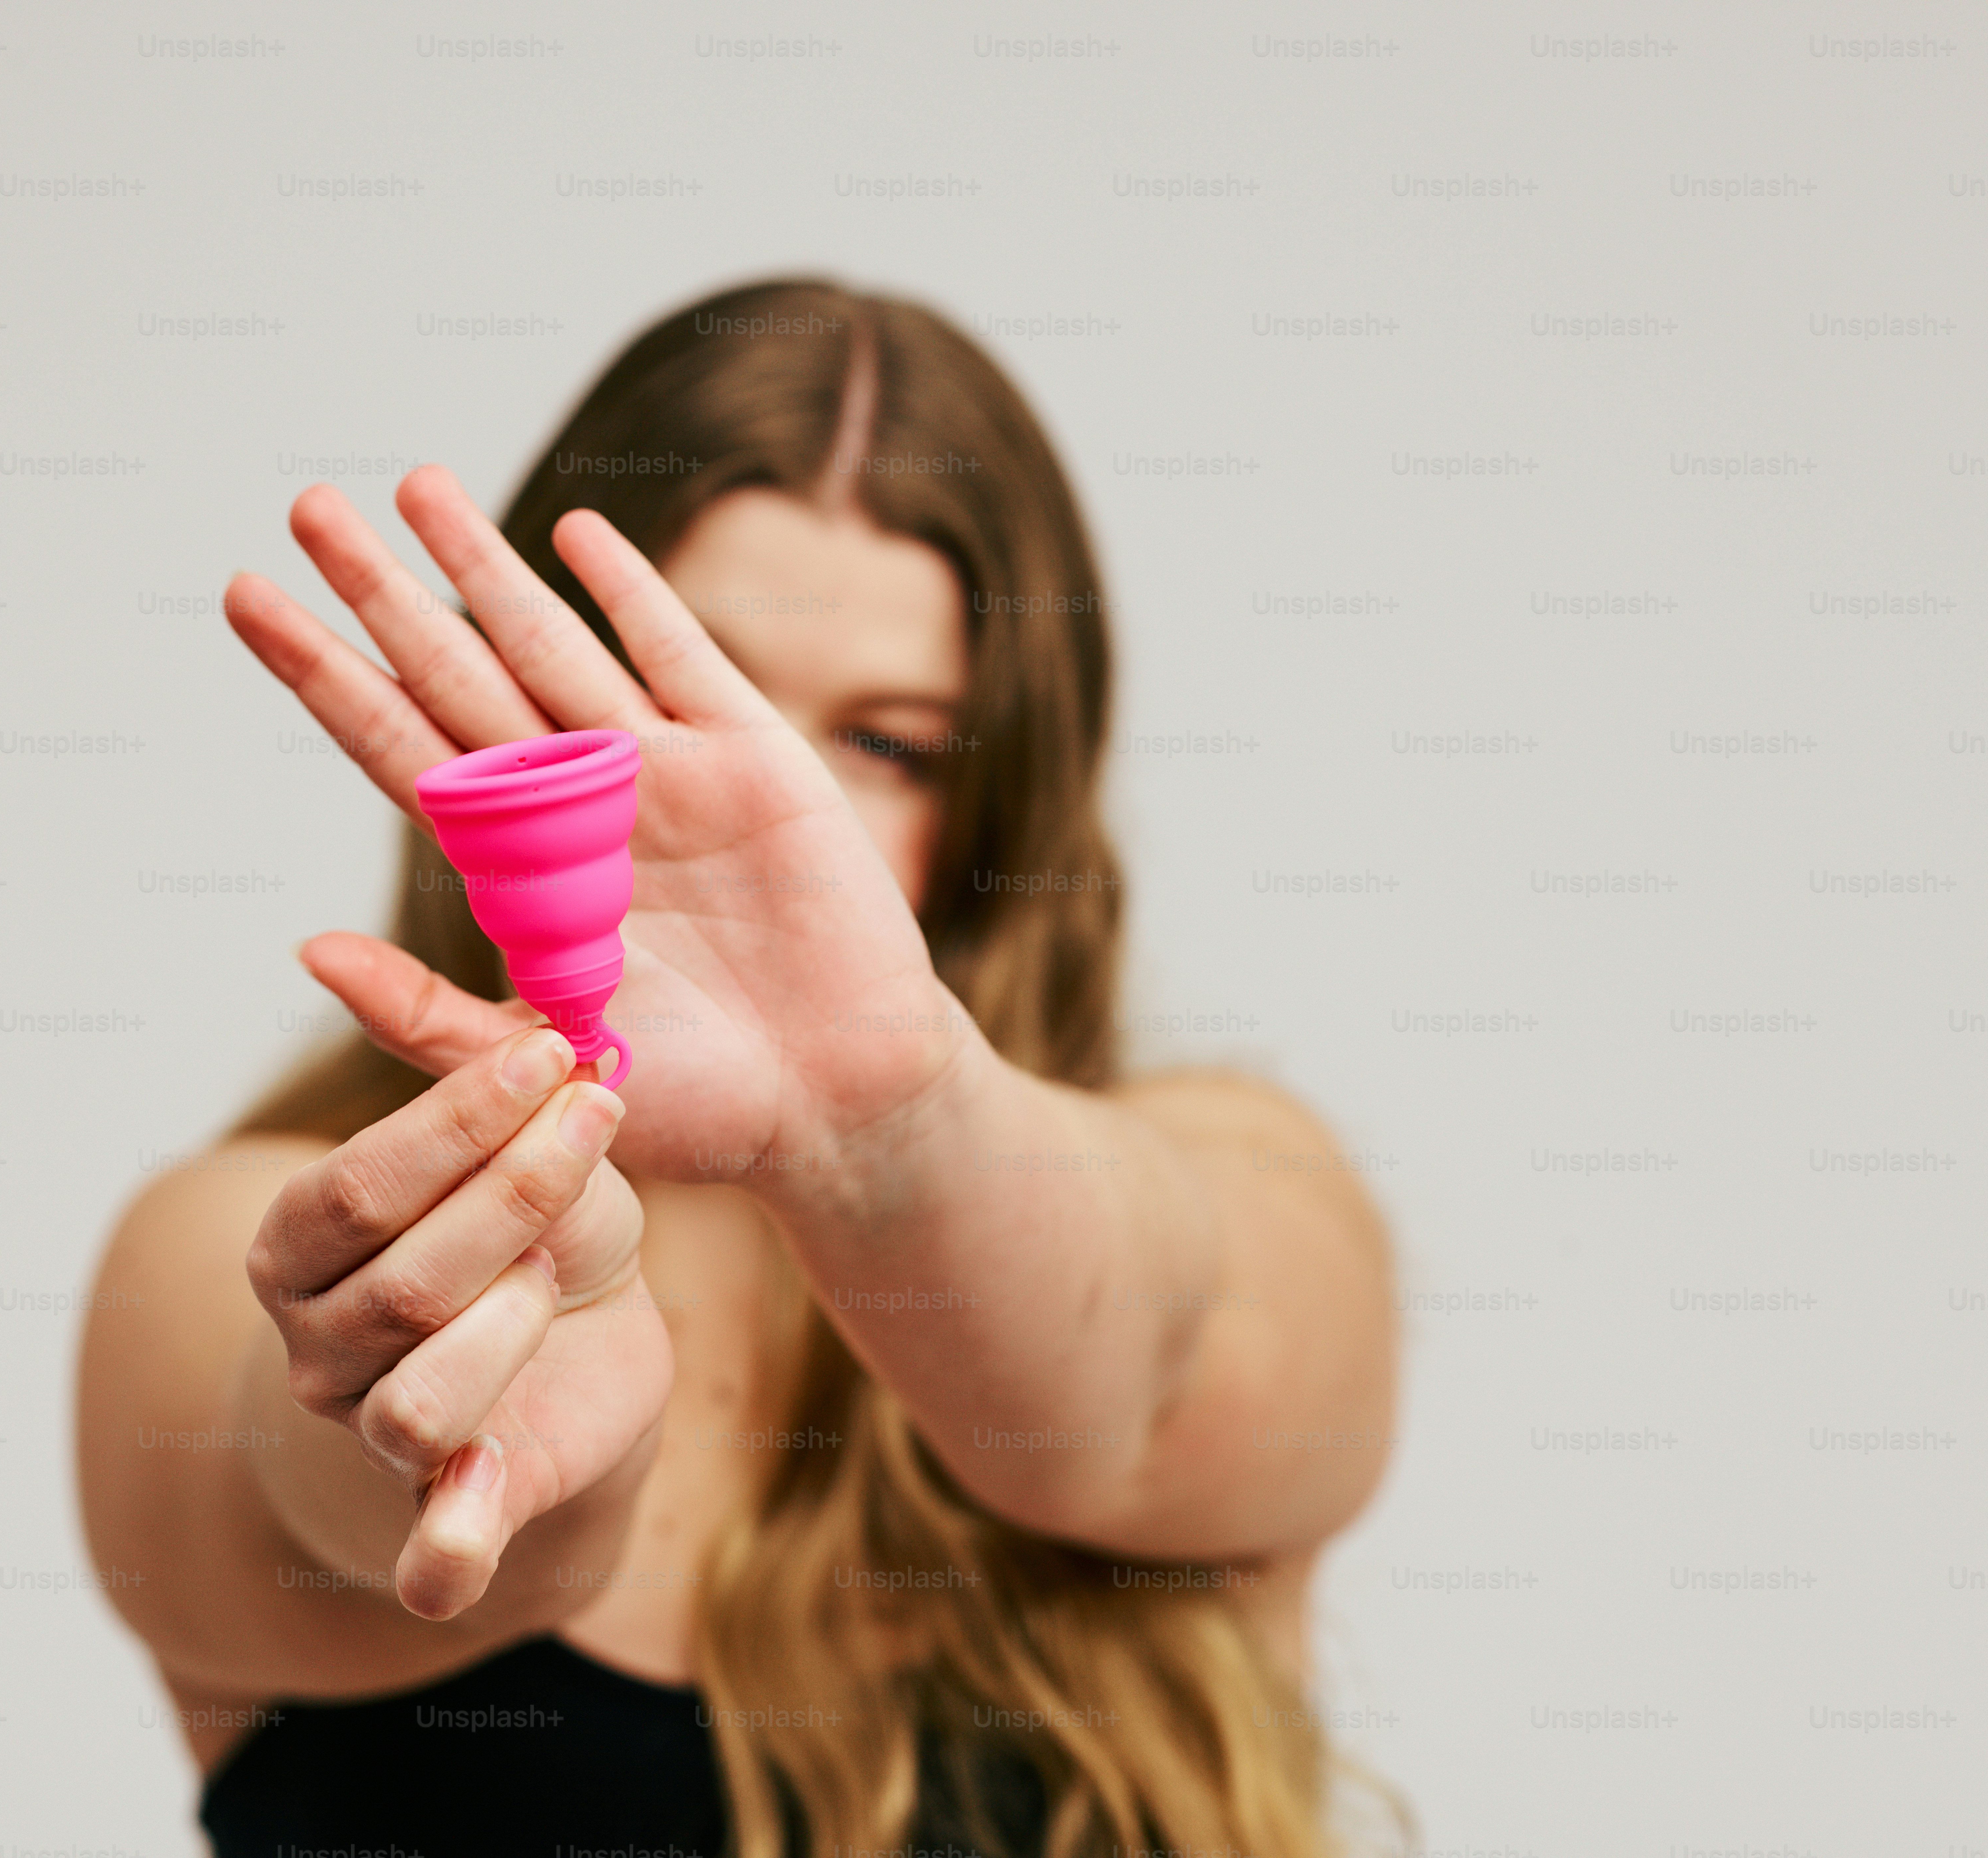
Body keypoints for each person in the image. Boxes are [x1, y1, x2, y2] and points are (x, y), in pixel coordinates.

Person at [75, 277, 1398, 1858]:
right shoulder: (230, 1242)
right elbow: (330, 1488)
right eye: (683, 691)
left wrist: (889, 1117)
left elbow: (1134, 1383)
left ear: (1002, 797)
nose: (777, 803)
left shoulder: (1243, 1178)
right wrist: (477, 1408)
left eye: (888, 741)